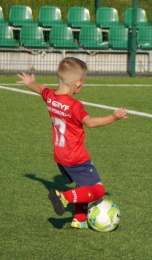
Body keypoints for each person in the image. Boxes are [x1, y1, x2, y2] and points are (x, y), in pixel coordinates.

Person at [17, 57, 128, 228]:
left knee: (83, 184)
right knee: (98, 190)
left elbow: (40, 89)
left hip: (61, 156)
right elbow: (89, 122)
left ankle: (80, 219)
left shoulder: (51, 97)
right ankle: (65, 197)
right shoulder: (74, 106)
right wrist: (113, 117)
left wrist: (29, 82)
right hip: (76, 157)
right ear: (78, 84)